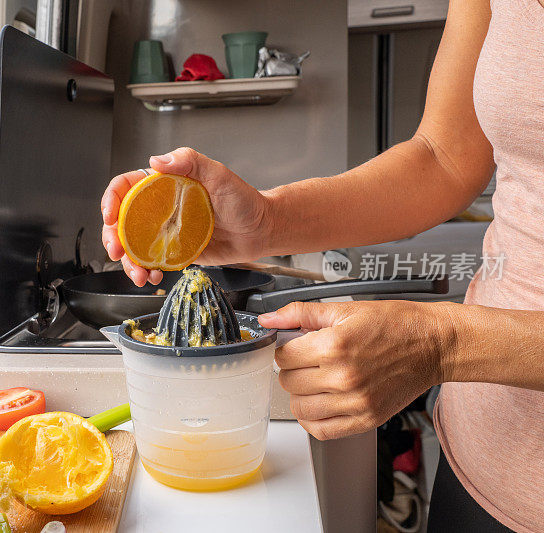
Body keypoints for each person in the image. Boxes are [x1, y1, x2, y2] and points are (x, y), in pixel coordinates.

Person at [100, 0, 542, 530]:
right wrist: (265, 220)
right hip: (482, 459)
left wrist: (445, 344)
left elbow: (445, 340)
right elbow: (443, 157)